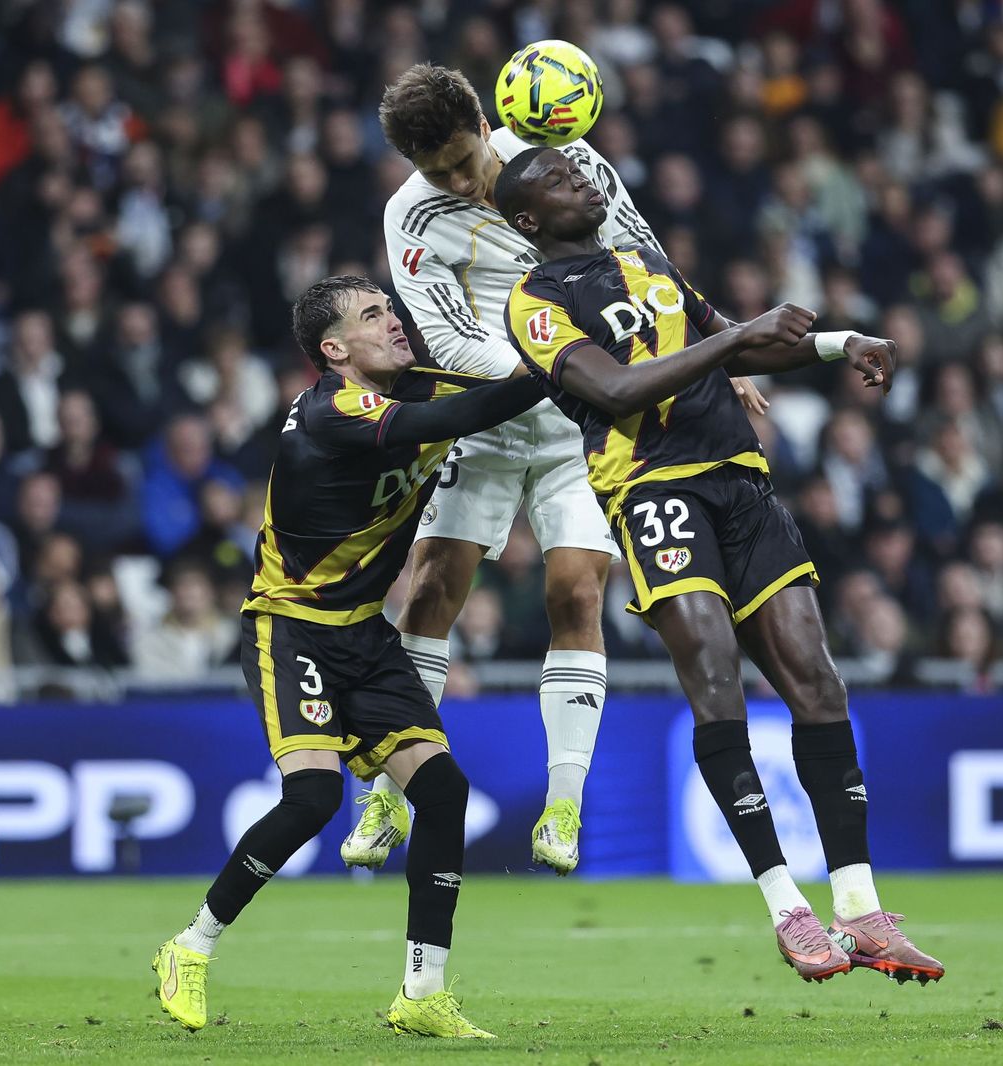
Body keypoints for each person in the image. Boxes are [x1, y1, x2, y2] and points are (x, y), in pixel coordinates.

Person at [492, 146, 944, 986]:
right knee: (714, 672)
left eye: (579, 172)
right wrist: (736, 334)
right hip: (652, 487)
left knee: (818, 682)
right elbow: (619, 390)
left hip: (741, 482)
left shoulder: (647, 262)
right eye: (557, 180)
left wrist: (838, 342)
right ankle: (787, 908)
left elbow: (737, 351)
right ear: (527, 220)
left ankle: (859, 908)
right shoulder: (535, 301)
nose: (582, 180)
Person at [343, 63, 766, 876]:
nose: (462, 183)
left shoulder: (561, 156)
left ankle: (563, 808)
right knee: (430, 589)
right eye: (441, 174)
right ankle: (389, 794)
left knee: (576, 592)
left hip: (590, 419)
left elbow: (644, 258)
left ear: (483, 123)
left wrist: (721, 346)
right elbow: (445, 336)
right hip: (499, 410)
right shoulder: (412, 216)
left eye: (467, 162)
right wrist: (564, 363)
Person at [152, 275, 542, 1038]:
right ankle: (189, 947)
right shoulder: (331, 411)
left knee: (444, 791)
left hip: (363, 630)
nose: (393, 321)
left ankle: (422, 993)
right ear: (333, 351)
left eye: (390, 308)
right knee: (314, 801)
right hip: (291, 624)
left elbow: (486, 389)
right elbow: (474, 409)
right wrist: (554, 365)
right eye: (372, 316)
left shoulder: (414, 383)